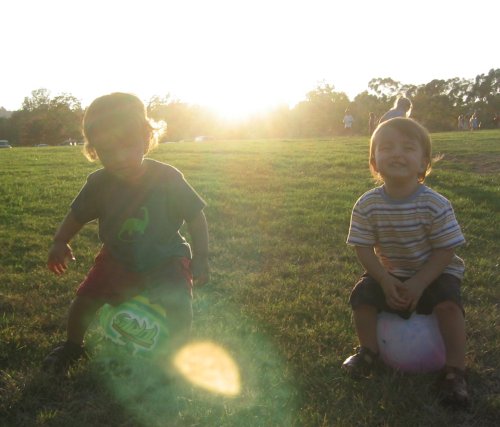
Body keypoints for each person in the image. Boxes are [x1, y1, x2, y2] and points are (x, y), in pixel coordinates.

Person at [44, 92, 209, 373]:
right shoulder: (99, 183)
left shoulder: (168, 178)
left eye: (128, 145)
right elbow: (77, 215)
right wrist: (60, 241)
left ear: (147, 138)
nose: (119, 157)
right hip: (117, 256)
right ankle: (73, 345)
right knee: (85, 299)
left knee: (178, 302)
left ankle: (178, 355)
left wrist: (202, 257)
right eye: (107, 150)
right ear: (93, 149)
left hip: (166, 256)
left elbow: (196, 216)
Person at [342, 117, 469, 407]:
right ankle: (369, 351)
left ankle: (455, 370)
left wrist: (420, 282)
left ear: (423, 163)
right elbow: (362, 248)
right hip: (390, 272)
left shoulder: (435, 204)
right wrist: (385, 281)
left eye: (408, 148)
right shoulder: (367, 204)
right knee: (362, 297)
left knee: (449, 304)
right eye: (387, 147)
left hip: (435, 271)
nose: (397, 153)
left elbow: (445, 250)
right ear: (374, 161)